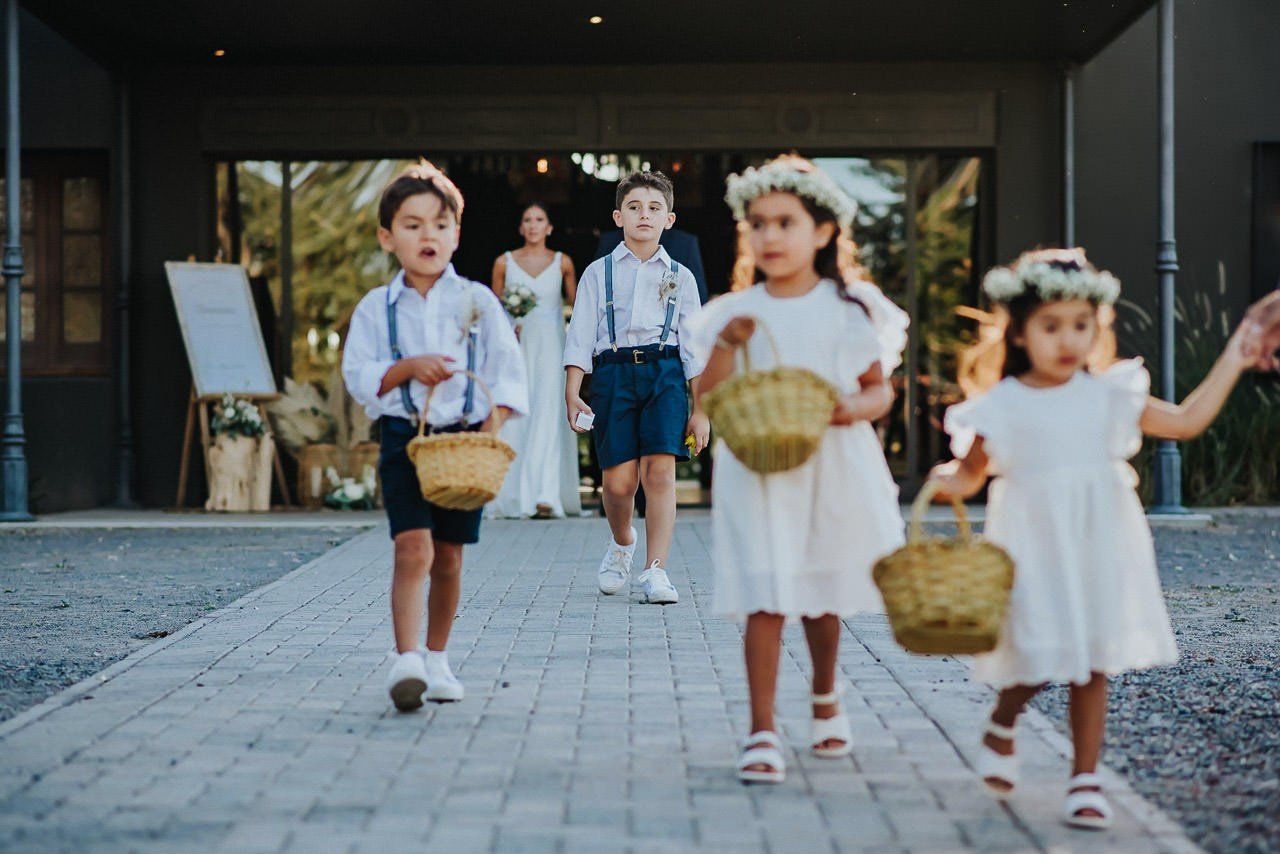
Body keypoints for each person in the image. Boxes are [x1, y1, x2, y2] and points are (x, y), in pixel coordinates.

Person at [927, 248, 1264, 829]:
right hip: (1030, 545)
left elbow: (1184, 422)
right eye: (1051, 326)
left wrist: (1236, 355)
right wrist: (944, 483)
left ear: (1097, 327)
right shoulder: (1002, 405)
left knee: (1090, 659)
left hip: (1099, 541)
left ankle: (1084, 777)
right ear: (1021, 332)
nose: (1067, 340)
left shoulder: (1111, 395)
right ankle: (1003, 720)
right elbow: (971, 475)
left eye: (1081, 325)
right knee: (1034, 651)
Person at [686, 154, 909, 784]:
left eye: (785, 222)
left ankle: (825, 693)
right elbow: (706, 396)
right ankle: (761, 729)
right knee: (765, 590)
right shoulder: (734, 311)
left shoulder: (850, 307)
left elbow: (878, 391)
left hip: (830, 460)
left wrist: (842, 410)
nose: (770, 236)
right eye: (758, 223)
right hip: (758, 468)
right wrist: (729, 343)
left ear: (823, 231)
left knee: (818, 590)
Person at [342, 161, 527, 711]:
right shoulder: (377, 307)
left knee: (449, 556)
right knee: (412, 546)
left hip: (465, 443)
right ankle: (407, 659)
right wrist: (406, 368)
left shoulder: (476, 299)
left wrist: (490, 431)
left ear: (457, 234)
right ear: (387, 236)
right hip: (405, 438)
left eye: (440, 225)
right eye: (413, 224)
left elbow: (507, 371)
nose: (428, 235)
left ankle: (439, 657)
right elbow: (360, 374)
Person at [563, 170, 710, 605]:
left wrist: (700, 408)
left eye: (654, 207)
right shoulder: (597, 273)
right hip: (612, 377)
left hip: (664, 373)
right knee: (619, 485)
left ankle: (656, 570)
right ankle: (623, 541)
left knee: (661, 473)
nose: (644, 214)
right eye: (634, 207)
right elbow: (581, 335)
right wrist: (574, 390)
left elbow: (695, 347)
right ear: (618, 216)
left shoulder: (681, 277)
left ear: (669, 219)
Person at [487, 203, 583, 519]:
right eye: (527, 220)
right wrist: (508, 324)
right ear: (520, 227)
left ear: (549, 227)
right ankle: (514, 494)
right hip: (517, 345)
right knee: (516, 413)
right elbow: (492, 312)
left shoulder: (563, 263)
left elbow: (578, 308)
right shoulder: (503, 262)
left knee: (548, 413)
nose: (532, 225)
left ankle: (546, 494)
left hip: (552, 345)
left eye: (539, 219)